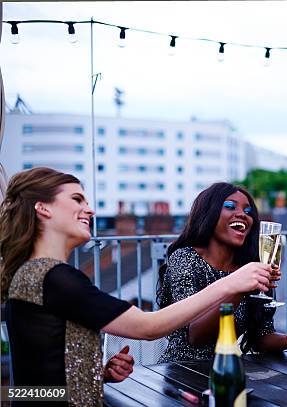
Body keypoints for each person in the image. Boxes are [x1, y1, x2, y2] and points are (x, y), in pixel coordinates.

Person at [0, 168, 273, 406]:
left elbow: (28, 389)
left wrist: (96, 374)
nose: (90, 209)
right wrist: (231, 284)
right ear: (43, 208)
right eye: (76, 199)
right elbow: (148, 327)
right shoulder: (54, 278)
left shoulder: (34, 274)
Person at [157, 182, 287, 362]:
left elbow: (260, 337)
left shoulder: (248, 266)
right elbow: (196, 336)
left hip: (230, 369)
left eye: (248, 212)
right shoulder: (185, 258)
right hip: (183, 371)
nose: (242, 214)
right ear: (208, 213)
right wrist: (240, 287)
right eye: (230, 206)